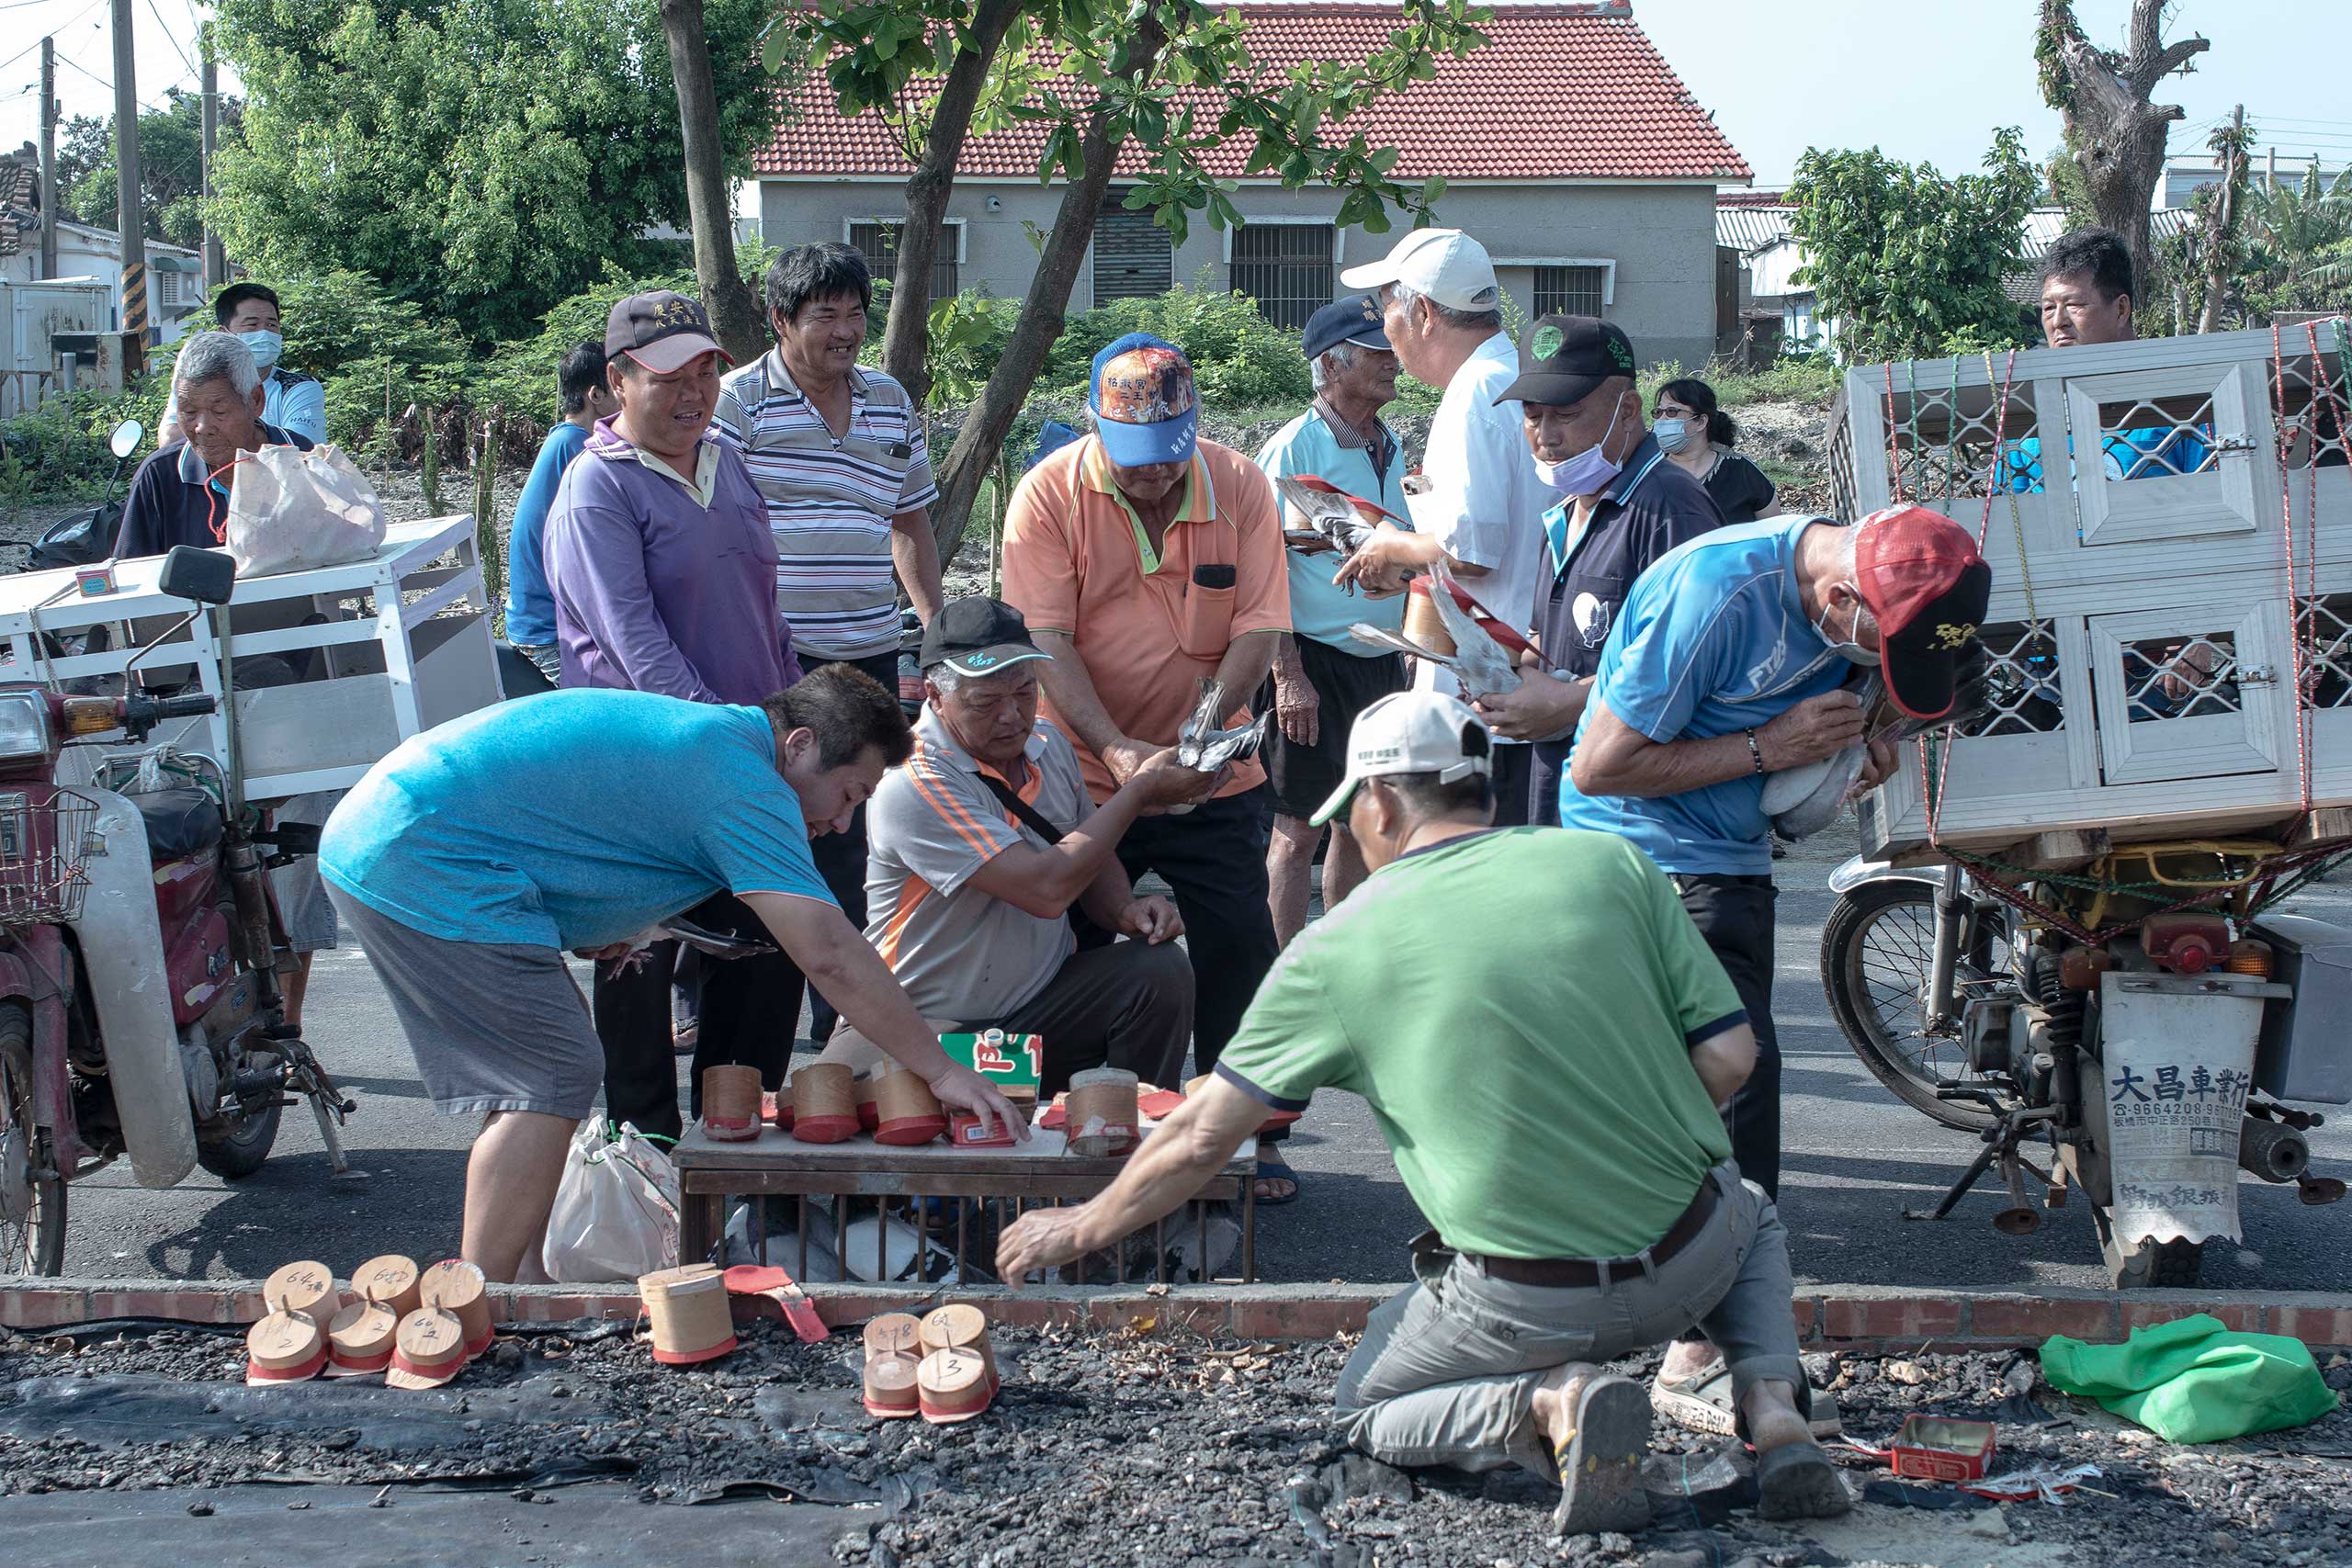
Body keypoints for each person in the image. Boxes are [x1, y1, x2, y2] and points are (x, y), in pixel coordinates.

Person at [998, 694, 1851, 1535]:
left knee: (1368, 1409)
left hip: (1529, 1302)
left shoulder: (1337, 945)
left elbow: (1199, 1135)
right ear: (1480, 787)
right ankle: (1774, 1411)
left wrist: (1077, 1227)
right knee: (1755, 1214)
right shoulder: (1608, 866)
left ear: (1377, 802)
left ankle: (1555, 1403)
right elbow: (1731, 1057)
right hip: (1694, 1257)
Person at [320, 669, 1025, 1282]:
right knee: (549, 1075)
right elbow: (830, 953)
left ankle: (521, 1278)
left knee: (552, 1072)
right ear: (801, 745)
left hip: (402, 830)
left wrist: (601, 919)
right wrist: (940, 1070)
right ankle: (478, 1302)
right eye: (848, 793)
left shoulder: (722, 747)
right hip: (416, 850)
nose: (843, 823)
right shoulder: (743, 779)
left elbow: (585, 819)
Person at [1557, 503, 1990, 1434]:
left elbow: (1887, 704)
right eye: (1883, 648)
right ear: (1840, 598)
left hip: (1735, 852)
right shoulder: (1715, 597)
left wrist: (1854, 755)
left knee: (1730, 1087)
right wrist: (1768, 749)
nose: (1882, 665)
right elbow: (1599, 766)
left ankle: (1710, 1327)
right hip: (1644, 851)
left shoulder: (1889, 586)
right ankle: (1701, 1347)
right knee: (1734, 1077)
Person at [999, 333, 1293, 1197]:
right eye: (1135, 463)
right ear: (1094, 428)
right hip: (1085, 772)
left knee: (1241, 946)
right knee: (1077, 947)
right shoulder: (1047, 494)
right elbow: (1044, 636)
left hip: (1213, 769)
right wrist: (1121, 754)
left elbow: (1260, 623)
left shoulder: (1240, 483)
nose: (1155, 477)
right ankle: (1068, 1131)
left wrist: (1199, 736)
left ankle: (1251, 1138)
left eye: (1169, 459)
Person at [542, 288, 809, 1142]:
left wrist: (796, 716)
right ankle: (646, 1172)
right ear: (618, 381)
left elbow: (766, 610)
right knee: (641, 975)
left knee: (764, 963)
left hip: (747, 753)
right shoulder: (596, 489)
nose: (693, 394)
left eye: (706, 372)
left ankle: (739, 1159)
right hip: (641, 772)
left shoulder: (728, 459)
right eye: (668, 378)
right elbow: (635, 645)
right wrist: (726, 742)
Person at [718, 243, 947, 1043]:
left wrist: (934, 629)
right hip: (773, 664)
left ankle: (838, 1035)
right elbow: (712, 527)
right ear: (781, 321)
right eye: (826, 317)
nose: (846, 332)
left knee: (849, 833)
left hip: (868, 652)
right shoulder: (737, 402)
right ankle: (747, 1037)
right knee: (770, 839)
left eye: (856, 314)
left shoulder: (890, 401)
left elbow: (911, 521)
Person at [858, 597, 1214, 1092]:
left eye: (1025, 692)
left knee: (1158, 969)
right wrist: (1139, 790)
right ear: (935, 698)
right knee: (937, 1139)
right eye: (985, 702)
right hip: (930, 1030)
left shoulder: (1047, 743)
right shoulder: (914, 780)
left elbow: (1089, 850)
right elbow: (1045, 892)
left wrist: (1125, 911)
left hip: (1035, 1013)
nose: (1012, 716)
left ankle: (1132, 1142)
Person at [1454, 318, 1728, 825]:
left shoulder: (1669, 509)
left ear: (1627, 410)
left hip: (1646, 825)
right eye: (1532, 417)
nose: (1545, 437)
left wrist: (1567, 703)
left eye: (1566, 415)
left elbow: (1696, 668)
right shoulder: (1564, 513)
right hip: (1568, 800)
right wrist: (1510, 684)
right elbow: (1549, 640)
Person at [1326, 229, 1551, 826]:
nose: (1385, 330)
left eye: (1386, 308)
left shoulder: (1474, 392)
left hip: (1492, 694)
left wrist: (1391, 546)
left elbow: (1472, 550)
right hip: (1522, 674)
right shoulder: (1510, 370)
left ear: (1422, 312)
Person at [1254, 295, 1411, 947]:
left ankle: (1339, 958)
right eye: (1376, 352)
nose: (1392, 362)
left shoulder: (1389, 443)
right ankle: (1278, 975)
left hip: (1382, 658)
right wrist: (1287, 673)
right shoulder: (1293, 448)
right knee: (1298, 829)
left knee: (1360, 815)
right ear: (1332, 364)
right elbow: (1261, 571)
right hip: (1311, 662)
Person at [117, 331, 317, 559]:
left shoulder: (298, 454)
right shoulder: (159, 475)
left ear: (255, 400)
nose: (201, 426)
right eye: (189, 412)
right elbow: (130, 573)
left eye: (219, 411)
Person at [504, 342, 616, 683]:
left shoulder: (564, 441)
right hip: (548, 629)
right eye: (621, 384)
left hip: (543, 619)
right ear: (596, 395)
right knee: (604, 715)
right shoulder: (577, 449)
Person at [158, 283, 326, 449]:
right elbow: (170, 439)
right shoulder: (196, 382)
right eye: (252, 325)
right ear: (224, 333)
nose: (264, 333)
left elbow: (298, 450)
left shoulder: (297, 388)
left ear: (257, 398)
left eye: (271, 325)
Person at [1654, 377, 1780, 525]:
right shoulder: (1649, 475)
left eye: (1671, 411)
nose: (1661, 420)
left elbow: (1776, 533)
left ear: (1701, 422)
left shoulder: (1742, 472)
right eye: (1658, 412)